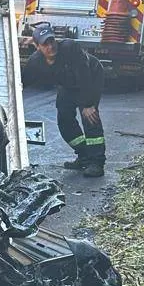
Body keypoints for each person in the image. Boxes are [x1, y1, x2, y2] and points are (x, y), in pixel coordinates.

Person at [21, 24, 106, 178]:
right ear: (37, 46)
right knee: (64, 117)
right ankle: (84, 155)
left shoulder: (69, 48)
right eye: (45, 44)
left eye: (52, 41)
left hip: (90, 78)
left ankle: (97, 163)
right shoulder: (35, 62)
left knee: (90, 117)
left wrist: (88, 105)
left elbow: (84, 75)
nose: (51, 46)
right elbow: (22, 82)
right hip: (68, 84)